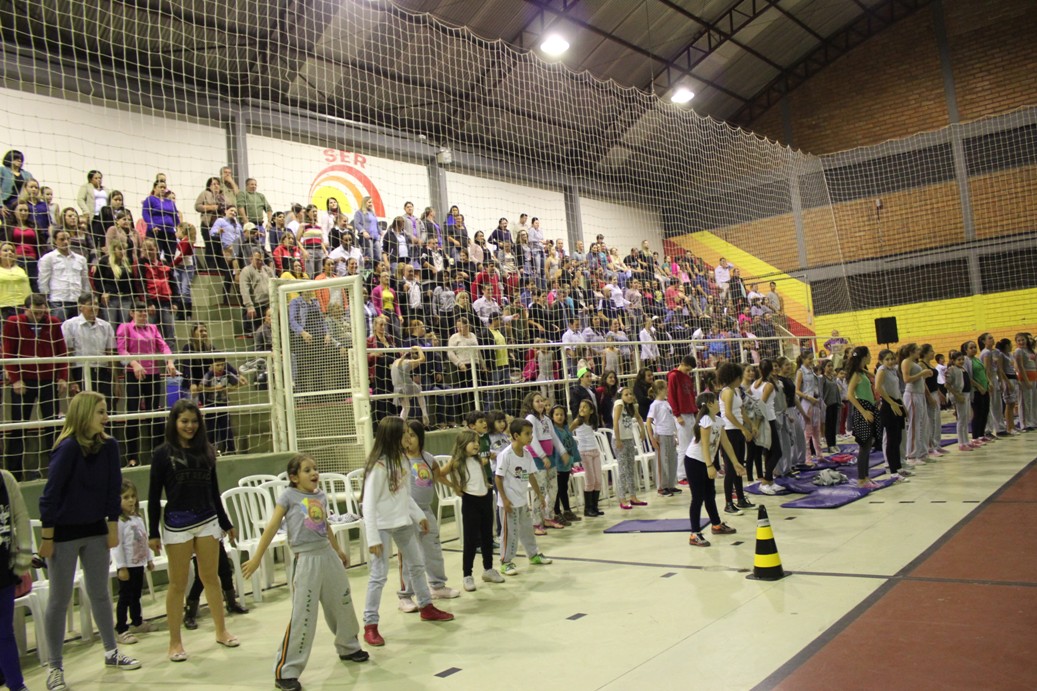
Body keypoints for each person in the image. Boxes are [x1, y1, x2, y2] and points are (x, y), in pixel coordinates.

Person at [38, 392, 141, 690]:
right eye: (100, 412)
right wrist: (47, 536)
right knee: (59, 600)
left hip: (96, 529)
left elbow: (113, 488)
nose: (105, 417)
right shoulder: (67, 448)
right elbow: (50, 494)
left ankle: (111, 651)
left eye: (106, 411)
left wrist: (111, 526)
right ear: (84, 415)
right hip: (65, 533)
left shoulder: (110, 446)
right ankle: (55, 667)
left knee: (100, 593)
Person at [243, 454, 368, 691]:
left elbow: (325, 525)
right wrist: (257, 556)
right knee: (304, 614)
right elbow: (271, 527)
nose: (314, 473)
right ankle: (286, 670)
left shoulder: (320, 495)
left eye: (315, 469)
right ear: (293, 477)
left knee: (342, 601)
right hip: (306, 560)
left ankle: (349, 646)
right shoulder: (288, 497)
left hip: (327, 556)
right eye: (307, 470)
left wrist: (337, 548)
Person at [148, 399, 240, 662]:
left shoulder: (207, 451)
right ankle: (175, 642)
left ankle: (221, 631)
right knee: (178, 583)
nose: (189, 426)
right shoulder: (162, 454)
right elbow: (154, 496)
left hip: (208, 520)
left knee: (211, 578)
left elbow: (214, 490)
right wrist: (154, 532)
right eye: (184, 421)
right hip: (176, 524)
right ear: (174, 423)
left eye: (194, 421)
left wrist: (225, 523)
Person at [361, 417, 454, 647]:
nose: (407, 437)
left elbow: (405, 495)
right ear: (393, 436)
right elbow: (368, 504)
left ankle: (426, 606)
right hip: (381, 526)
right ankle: (370, 624)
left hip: (402, 522)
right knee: (378, 575)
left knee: (417, 565)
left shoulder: (402, 461)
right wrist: (372, 537)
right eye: (403, 433)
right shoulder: (378, 466)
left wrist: (419, 516)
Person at [3, 293, 68, 480]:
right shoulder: (14, 322)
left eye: (42, 312)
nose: (40, 316)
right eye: (36, 313)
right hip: (24, 381)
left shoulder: (54, 322)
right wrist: (15, 378)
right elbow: (8, 351)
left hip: (48, 380)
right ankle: (13, 475)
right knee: (19, 428)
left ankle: (56, 471)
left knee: (53, 427)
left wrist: (62, 377)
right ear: (26, 309)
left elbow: (61, 351)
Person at [396, 420, 459, 612]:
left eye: (413, 435)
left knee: (433, 549)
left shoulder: (428, 458)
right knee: (409, 556)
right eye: (405, 435)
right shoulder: (399, 460)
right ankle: (405, 596)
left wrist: (454, 486)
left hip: (426, 510)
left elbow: (438, 476)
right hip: (408, 513)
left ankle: (437, 586)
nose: (409, 439)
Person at [441, 430, 503, 592]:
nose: (476, 444)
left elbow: (479, 476)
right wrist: (454, 486)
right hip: (470, 501)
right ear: (463, 444)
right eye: (472, 441)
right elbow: (439, 475)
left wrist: (486, 485)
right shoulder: (456, 461)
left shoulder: (478, 460)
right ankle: (467, 575)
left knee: (487, 536)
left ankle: (488, 569)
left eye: (477, 441)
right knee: (470, 540)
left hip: (485, 498)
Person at [495, 418, 552, 577]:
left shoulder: (527, 455)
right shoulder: (505, 455)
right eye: (527, 434)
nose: (531, 437)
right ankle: (505, 562)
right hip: (509, 503)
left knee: (527, 529)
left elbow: (531, 475)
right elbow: (498, 478)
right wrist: (505, 500)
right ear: (516, 436)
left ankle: (533, 555)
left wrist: (539, 494)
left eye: (531, 433)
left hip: (521, 501)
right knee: (509, 533)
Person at [684, 391, 739, 547]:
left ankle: (716, 524)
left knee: (710, 494)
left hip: (705, 461)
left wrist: (735, 462)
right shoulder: (706, 420)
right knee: (698, 498)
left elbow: (726, 443)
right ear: (709, 404)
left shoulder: (719, 421)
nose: (718, 403)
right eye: (715, 401)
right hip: (695, 461)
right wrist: (710, 466)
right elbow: (705, 446)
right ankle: (695, 534)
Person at [0, 458, 32, 691]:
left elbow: (21, 518)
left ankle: (16, 685)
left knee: (4, 632)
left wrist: (23, 558)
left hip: (4, 570)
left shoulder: (6, 480)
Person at [111, 480, 154, 645]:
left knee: (136, 595)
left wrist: (149, 559)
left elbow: (144, 539)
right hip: (127, 566)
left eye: (133, 496)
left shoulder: (137, 517)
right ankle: (121, 628)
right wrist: (121, 567)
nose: (131, 500)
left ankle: (137, 622)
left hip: (139, 564)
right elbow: (117, 546)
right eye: (125, 497)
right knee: (125, 597)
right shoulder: (119, 522)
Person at [521, 392, 567, 534]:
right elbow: (533, 441)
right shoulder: (530, 419)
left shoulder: (546, 419)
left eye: (542, 401)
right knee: (539, 491)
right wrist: (542, 456)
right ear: (531, 404)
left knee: (553, 488)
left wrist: (563, 452)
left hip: (550, 457)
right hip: (538, 459)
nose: (540, 403)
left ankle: (548, 517)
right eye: (537, 401)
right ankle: (536, 523)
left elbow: (553, 437)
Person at [716, 362, 754, 515]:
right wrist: (743, 428)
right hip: (729, 432)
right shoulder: (727, 392)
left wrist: (751, 425)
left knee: (739, 466)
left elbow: (740, 410)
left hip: (737, 431)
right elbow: (729, 415)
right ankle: (728, 503)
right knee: (731, 468)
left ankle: (740, 498)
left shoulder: (736, 390)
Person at [37, 229, 91, 321]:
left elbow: (85, 281)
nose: (66, 242)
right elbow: (43, 281)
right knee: (59, 331)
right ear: (55, 241)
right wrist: (46, 302)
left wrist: (85, 300)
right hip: (57, 301)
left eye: (68, 239)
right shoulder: (47, 259)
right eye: (62, 239)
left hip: (77, 301)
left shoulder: (81, 259)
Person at [874, 349, 909, 482]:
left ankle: (899, 467)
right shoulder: (882, 370)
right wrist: (891, 403)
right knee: (891, 439)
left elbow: (897, 390)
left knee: (898, 438)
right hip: (888, 406)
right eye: (887, 359)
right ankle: (893, 472)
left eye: (891, 358)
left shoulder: (893, 370)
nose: (890, 361)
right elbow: (878, 387)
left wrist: (902, 405)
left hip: (897, 402)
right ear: (881, 361)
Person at [613, 387, 648, 510]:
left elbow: (638, 417)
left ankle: (633, 496)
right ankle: (622, 498)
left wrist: (642, 430)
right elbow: (615, 422)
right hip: (619, 440)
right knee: (623, 470)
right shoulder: (619, 404)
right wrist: (617, 439)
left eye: (630, 394)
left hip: (628, 440)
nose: (629, 396)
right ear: (620, 396)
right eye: (626, 394)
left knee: (630, 469)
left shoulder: (631, 406)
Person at [751, 359, 783, 495]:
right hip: (768, 419)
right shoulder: (768, 385)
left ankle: (770, 480)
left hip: (766, 418)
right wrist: (757, 424)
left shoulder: (754, 384)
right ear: (770, 370)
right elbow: (761, 404)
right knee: (777, 452)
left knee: (769, 452)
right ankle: (765, 482)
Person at [571, 399, 605, 517]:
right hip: (584, 453)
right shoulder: (577, 421)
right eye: (581, 407)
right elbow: (568, 432)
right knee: (590, 480)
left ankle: (595, 506)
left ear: (591, 411)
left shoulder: (591, 422)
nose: (581, 409)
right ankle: (588, 508)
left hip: (595, 451)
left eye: (585, 407)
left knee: (598, 480)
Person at [646, 379, 680, 497]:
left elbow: (670, 419)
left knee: (672, 461)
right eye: (666, 388)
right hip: (661, 435)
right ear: (660, 390)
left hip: (670, 434)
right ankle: (662, 487)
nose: (668, 390)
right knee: (663, 462)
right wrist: (652, 439)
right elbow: (649, 422)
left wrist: (675, 434)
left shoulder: (666, 403)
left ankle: (670, 484)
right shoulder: (654, 405)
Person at [550, 405, 581, 524]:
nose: (559, 417)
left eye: (561, 414)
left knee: (564, 488)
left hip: (566, 465)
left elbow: (571, 445)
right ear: (552, 416)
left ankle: (567, 511)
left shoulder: (566, 428)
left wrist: (573, 460)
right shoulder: (553, 430)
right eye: (556, 414)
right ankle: (557, 513)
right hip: (558, 465)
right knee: (557, 490)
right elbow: (553, 449)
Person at [795, 352, 825, 463]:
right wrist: (808, 397)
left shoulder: (812, 371)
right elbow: (797, 390)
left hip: (815, 402)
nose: (811, 361)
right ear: (803, 359)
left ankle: (819, 455)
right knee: (807, 432)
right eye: (809, 359)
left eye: (812, 359)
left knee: (817, 430)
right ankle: (807, 458)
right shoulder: (800, 372)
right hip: (807, 403)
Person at [944, 350, 973, 452]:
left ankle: (966, 441)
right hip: (959, 396)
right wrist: (957, 395)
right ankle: (961, 443)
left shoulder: (963, 368)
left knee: (966, 419)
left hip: (966, 394)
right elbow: (947, 385)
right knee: (961, 419)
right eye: (958, 360)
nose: (961, 361)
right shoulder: (951, 370)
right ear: (953, 360)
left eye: (962, 359)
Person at [0, 241, 30, 320]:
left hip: (22, 306)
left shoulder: (21, 268)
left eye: (12, 251)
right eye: (5, 250)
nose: (10, 252)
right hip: (3, 307)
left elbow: (28, 287)